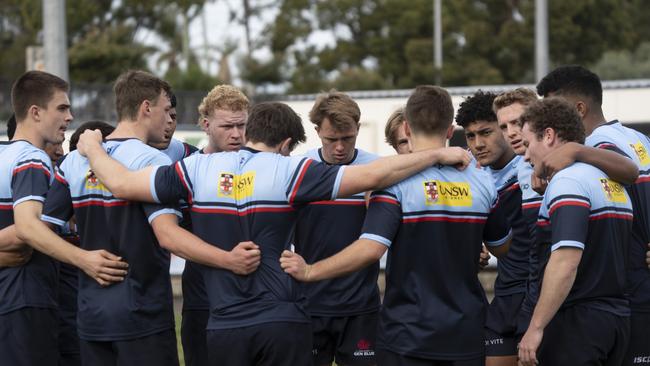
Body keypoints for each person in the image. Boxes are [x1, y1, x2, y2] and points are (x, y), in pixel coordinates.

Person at [75, 99, 472, 365]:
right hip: (282, 321)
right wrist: (437, 153)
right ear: (285, 143)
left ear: (248, 132)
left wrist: (92, 147)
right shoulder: (289, 170)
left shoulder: (195, 169)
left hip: (225, 325)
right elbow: (374, 173)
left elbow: (123, 185)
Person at [40, 70, 260, 366]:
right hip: (142, 314)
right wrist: (228, 259)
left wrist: (82, 259)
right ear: (146, 108)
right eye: (166, 111)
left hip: (91, 315)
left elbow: (41, 232)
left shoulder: (76, 160)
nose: (169, 120)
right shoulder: (151, 160)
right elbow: (168, 235)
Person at [281, 85, 512, 366]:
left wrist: (310, 270)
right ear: (450, 130)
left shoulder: (391, 183)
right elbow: (502, 247)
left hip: (407, 332)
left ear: (407, 126)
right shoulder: (482, 180)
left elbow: (370, 249)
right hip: (465, 331)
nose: (340, 147)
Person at [0, 71, 127, 366]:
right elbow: (28, 229)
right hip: (24, 300)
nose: (70, 117)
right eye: (62, 108)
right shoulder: (31, 159)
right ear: (35, 112)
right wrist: (84, 259)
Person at [536, 65, 649, 366]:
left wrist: (575, 150)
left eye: (552, 110)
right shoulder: (639, 140)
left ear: (579, 108)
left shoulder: (595, 147)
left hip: (623, 292)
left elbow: (627, 173)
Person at [517, 98, 632, 365]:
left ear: (548, 136)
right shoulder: (610, 181)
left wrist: (535, 327)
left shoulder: (568, 182)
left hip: (576, 324)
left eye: (526, 144)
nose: (524, 155)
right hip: (616, 321)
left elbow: (566, 261)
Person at [295, 90, 379, 366]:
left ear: (357, 127)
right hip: (309, 304)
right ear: (318, 131)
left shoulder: (377, 170)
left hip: (361, 307)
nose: (340, 147)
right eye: (332, 139)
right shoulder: (299, 169)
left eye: (348, 138)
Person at [455, 90, 531, 366]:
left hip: (541, 293)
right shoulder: (469, 171)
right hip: (506, 292)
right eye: (471, 136)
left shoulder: (535, 164)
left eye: (486, 132)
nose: (478, 143)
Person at [180, 84, 250, 366]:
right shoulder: (185, 169)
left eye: (242, 125)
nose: (236, 134)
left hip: (253, 298)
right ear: (206, 125)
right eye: (227, 126)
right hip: (202, 296)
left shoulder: (262, 165)